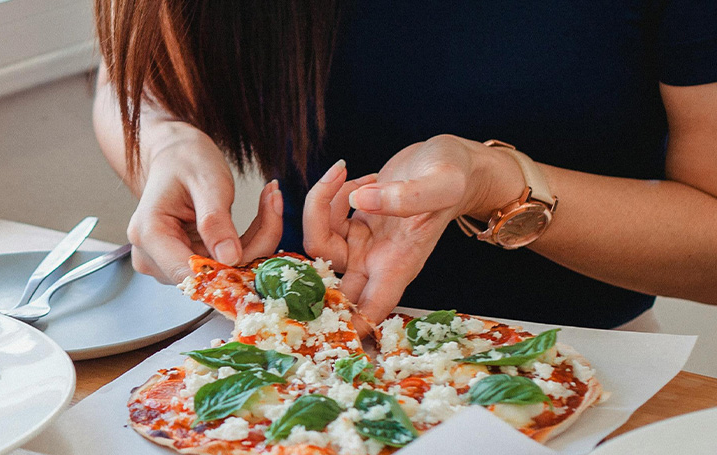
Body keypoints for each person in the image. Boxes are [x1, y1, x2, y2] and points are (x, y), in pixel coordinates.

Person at [92, 1, 717, 330]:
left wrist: (496, 184)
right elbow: (137, 83)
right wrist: (165, 147)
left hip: (591, 370)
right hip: (284, 349)